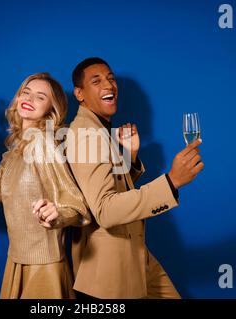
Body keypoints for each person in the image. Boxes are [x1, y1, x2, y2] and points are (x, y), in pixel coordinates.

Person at [66, 57, 204, 299]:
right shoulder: (86, 135)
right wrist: (172, 181)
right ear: (79, 93)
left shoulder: (98, 129)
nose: (108, 85)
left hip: (135, 257)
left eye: (110, 78)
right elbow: (105, 210)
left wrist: (129, 157)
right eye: (96, 81)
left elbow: (102, 189)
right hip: (110, 273)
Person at [0, 72, 91, 299]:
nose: (29, 99)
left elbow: (76, 206)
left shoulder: (44, 144)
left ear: (51, 109)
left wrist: (57, 215)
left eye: (40, 97)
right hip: (16, 261)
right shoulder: (14, 154)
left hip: (45, 267)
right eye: (26, 92)